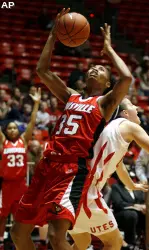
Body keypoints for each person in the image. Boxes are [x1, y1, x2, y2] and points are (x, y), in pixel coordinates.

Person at [11, 8, 132, 250]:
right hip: (47, 166)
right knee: (17, 233)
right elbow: (42, 71)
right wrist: (53, 35)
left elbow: (127, 77)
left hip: (71, 170)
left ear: (108, 84)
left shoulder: (105, 102)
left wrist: (109, 51)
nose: (94, 69)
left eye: (101, 69)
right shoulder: (71, 96)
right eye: (92, 68)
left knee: (57, 238)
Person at [69, 98, 149, 250]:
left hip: (73, 190)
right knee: (114, 242)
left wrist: (132, 185)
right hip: (87, 190)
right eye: (133, 105)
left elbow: (119, 167)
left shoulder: (111, 131)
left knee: (82, 243)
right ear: (125, 113)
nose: (137, 108)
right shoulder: (128, 125)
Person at [0, 88, 41, 246]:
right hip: (7, 184)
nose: (11, 130)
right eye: (9, 128)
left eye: (14, 128)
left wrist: (36, 104)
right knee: (2, 216)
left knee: (20, 216)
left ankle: (17, 240)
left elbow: (31, 122)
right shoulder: (3, 142)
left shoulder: (23, 141)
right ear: (6, 130)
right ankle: (1, 242)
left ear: (18, 130)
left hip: (21, 184)